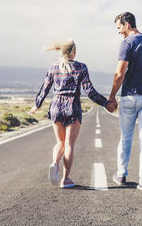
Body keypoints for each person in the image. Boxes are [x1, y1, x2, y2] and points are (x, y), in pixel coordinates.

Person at [30, 38, 115, 188]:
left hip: (56, 107)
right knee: (69, 145)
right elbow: (89, 91)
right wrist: (105, 103)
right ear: (74, 52)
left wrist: (36, 105)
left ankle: (55, 163)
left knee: (59, 143)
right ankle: (65, 179)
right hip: (72, 107)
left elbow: (45, 88)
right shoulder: (81, 67)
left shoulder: (53, 67)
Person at [108, 12, 142, 192]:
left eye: (119, 27)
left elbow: (119, 74)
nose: (118, 32)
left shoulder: (127, 43)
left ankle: (121, 175)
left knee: (126, 136)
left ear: (127, 25)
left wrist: (112, 96)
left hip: (130, 95)